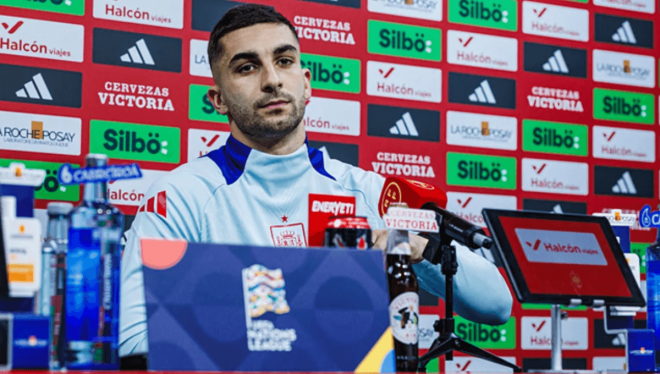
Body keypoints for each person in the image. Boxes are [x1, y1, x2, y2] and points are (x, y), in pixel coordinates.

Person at [119, 3, 512, 357]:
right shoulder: (183, 194)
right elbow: (132, 342)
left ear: (307, 82)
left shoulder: (367, 191)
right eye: (247, 67)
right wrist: (286, 312)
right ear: (217, 99)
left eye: (284, 61)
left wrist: (414, 249)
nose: (272, 80)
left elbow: (497, 306)